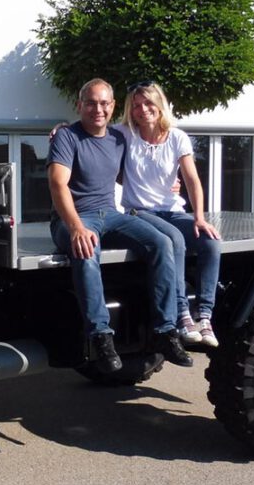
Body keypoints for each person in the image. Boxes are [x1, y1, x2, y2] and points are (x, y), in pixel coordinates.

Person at [47, 78, 193, 373]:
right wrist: (75, 227)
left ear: (113, 107)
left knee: (161, 243)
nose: (97, 109)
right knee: (87, 250)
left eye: (104, 103)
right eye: (91, 103)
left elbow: (138, 172)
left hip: (111, 214)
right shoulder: (67, 137)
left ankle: (165, 331)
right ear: (80, 105)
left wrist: (168, 184)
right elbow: (57, 183)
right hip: (74, 217)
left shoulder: (118, 137)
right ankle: (101, 335)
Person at [120, 81, 221, 347]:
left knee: (210, 241)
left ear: (160, 104)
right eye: (137, 105)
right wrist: (62, 130)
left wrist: (199, 217)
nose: (143, 110)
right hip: (139, 211)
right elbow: (92, 133)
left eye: (148, 103)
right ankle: (182, 314)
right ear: (130, 110)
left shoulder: (177, 137)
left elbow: (192, 179)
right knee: (174, 240)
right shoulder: (125, 134)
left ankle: (204, 315)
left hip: (173, 210)